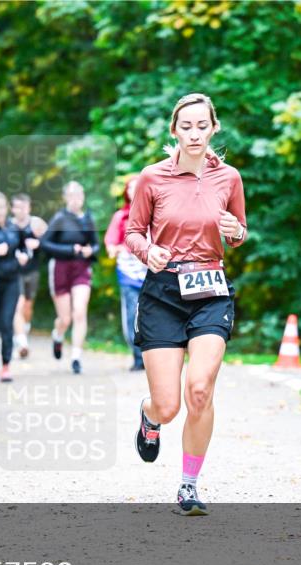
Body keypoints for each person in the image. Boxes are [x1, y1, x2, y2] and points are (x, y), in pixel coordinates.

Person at [125, 92, 248, 516]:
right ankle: (149, 416)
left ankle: (189, 485)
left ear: (214, 128)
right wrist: (149, 252)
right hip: (163, 292)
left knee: (199, 389)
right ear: (174, 131)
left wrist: (236, 231)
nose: (194, 134)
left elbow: (239, 230)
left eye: (202, 126)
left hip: (211, 289)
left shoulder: (229, 177)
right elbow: (133, 232)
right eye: (186, 126)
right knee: (168, 405)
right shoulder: (152, 178)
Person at [42, 181, 98, 374]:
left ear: (83, 197)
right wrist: (69, 249)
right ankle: (58, 335)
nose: (76, 200)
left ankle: (76, 357)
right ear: (65, 198)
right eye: (72, 196)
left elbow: (96, 245)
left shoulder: (88, 219)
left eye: (79, 195)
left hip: (81, 268)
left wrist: (90, 250)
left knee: (80, 312)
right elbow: (45, 244)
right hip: (60, 268)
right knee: (65, 319)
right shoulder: (59, 219)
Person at [0, 192, 31, 381]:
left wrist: (25, 256)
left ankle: (6, 365)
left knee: (6, 323)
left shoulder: (15, 228)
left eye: (1, 207)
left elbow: (25, 248)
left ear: (7, 208)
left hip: (11, 281)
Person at [105, 176, 147, 371]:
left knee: (151, 314)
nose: (134, 191)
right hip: (129, 272)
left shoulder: (154, 212)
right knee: (132, 314)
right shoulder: (120, 216)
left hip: (152, 270)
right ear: (126, 192)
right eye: (130, 188)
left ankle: (152, 355)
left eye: (137, 187)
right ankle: (138, 356)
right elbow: (111, 243)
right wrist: (117, 249)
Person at [11, 194, 47, 359]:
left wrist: (39, 243)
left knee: (27, 306)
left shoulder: (37, 223)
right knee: (18, 305)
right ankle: (22, 342)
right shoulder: (9, 225)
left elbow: (50, 243)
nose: (21, 210)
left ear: (29, 208)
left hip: (32, 271)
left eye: (24, 207)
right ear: (12, 209)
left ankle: (23, 330)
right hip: (15, 272)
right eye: (17, 207)